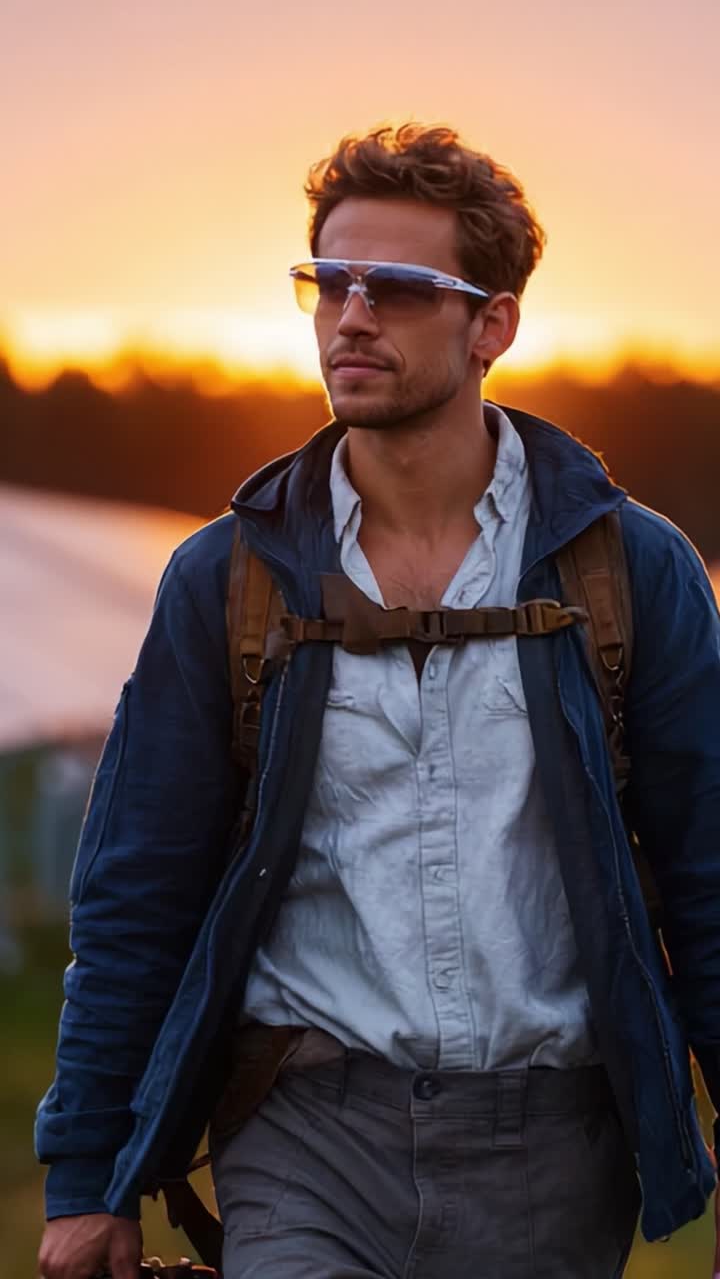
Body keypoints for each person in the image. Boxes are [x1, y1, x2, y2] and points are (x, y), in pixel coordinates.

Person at [36, 123, 720, 1279]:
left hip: (554, 1141)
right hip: (304, 1126)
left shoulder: (629, 569)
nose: (350, 314)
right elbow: (137, 884)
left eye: (398, 286)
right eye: (328, 281)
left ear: (491, 323)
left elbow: (708, 873)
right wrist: (86, 1173)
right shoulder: (231, 576)